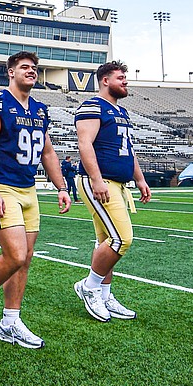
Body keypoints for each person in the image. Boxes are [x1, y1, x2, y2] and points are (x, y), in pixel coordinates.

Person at [0, 52, 71, 349]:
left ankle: (10, 321)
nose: (31, 72)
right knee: (16, 255)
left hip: (29, 189)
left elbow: (47, 152)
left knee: (25, 261)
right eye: (24, 67)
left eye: (34, 68)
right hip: (5, 188)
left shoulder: (39, 109)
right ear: (10, 72)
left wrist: (61, 186)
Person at [72, 60, 151, 322]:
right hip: (100, 180)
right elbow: (85, 144)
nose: (125, 82)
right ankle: (90, 286)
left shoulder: (122, 112)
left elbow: (129, 149)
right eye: (121, 77)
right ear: (105, 80)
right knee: (122, 239)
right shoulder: (93, 106)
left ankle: (104, 293)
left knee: (105, 240)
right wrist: (96, 179)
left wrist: (140, 179)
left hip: (118, 181)